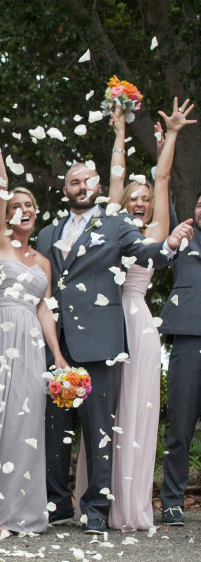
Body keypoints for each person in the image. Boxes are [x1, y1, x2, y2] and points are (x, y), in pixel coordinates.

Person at [36, 156, 193, 534]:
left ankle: (96, 509)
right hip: (57, 340)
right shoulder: (47, 234)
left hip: (101, 339)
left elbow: (144, 252)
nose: (81, 186)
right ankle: (56, 504)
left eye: (87, 181)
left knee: (98, 429)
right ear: (65, 190)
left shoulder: (117, 224)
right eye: (74, 181)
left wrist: (168, 245)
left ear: (99, 188)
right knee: (55, 426)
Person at [75, 100, 194, 532]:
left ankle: (131, 504)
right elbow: (116, 176)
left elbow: (162, 177)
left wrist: (173, 136)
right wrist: (121, 131)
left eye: (147, 200)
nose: (142, 203)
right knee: (105, 411)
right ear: (124, 202)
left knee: (136, 413)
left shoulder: (155, 232)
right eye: (135, 199)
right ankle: (98, 502)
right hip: (106, 321)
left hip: (138, 323)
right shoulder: (111, 224)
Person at [0, 102, 67, 536]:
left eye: (29, 205)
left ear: (37, 214)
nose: (20, 208)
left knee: (25, 425)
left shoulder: (43, 260)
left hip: (33, 344)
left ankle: (20, 513)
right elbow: (0, 187)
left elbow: (45, 308)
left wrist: (58, 358)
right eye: (15, 204)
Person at [159, 192, 201, 527]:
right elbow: (165, 198)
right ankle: (172, 501)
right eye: (199, 204)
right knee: (181, 426)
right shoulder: (184, 238)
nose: (200, 209)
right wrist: (164, 153)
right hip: (188, 343)